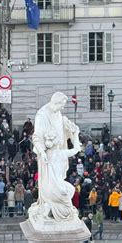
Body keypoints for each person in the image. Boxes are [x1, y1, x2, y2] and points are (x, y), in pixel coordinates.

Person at [30, 92, 81, 221]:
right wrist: (42, 152)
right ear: (55, 103)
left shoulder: (58, 113)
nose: (63, 108)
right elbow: (37, 137)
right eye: (62, 105)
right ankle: (50, 204)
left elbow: (62, 132)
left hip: (57, 152)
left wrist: (70, 130)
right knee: (55, 184)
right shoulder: (42, 115)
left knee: (60, 181)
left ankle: (50, 205)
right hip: (47, 155)